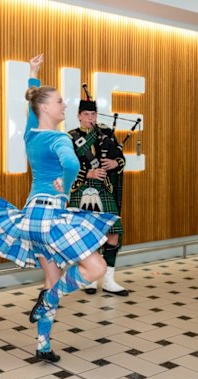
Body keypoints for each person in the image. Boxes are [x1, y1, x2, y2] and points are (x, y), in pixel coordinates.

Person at [0, 54, 118, 362]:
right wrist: (66, 179)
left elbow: (29, 109)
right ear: (47, 107)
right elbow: (73, 163)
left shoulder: (31, 134)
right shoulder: (59, 139)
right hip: (51, 218)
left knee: (51, 277)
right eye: (60, 101)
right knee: (97, 268)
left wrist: (33, 75)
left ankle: (43, 345)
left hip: (30, 219)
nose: (64, 106)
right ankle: (51, 297)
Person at [67, 98, 129, 296]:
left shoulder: (106, 134)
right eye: (86, 114)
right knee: (87, 236)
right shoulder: (70, 138)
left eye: (93, 114)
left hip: (104, 190)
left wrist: (115, 163)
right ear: (79, 115)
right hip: (82, 190)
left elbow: (120, 156)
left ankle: (109, 279)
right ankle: (90, 276)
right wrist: (87, 174)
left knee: (113, 232)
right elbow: (65, 167)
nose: (90, 118)